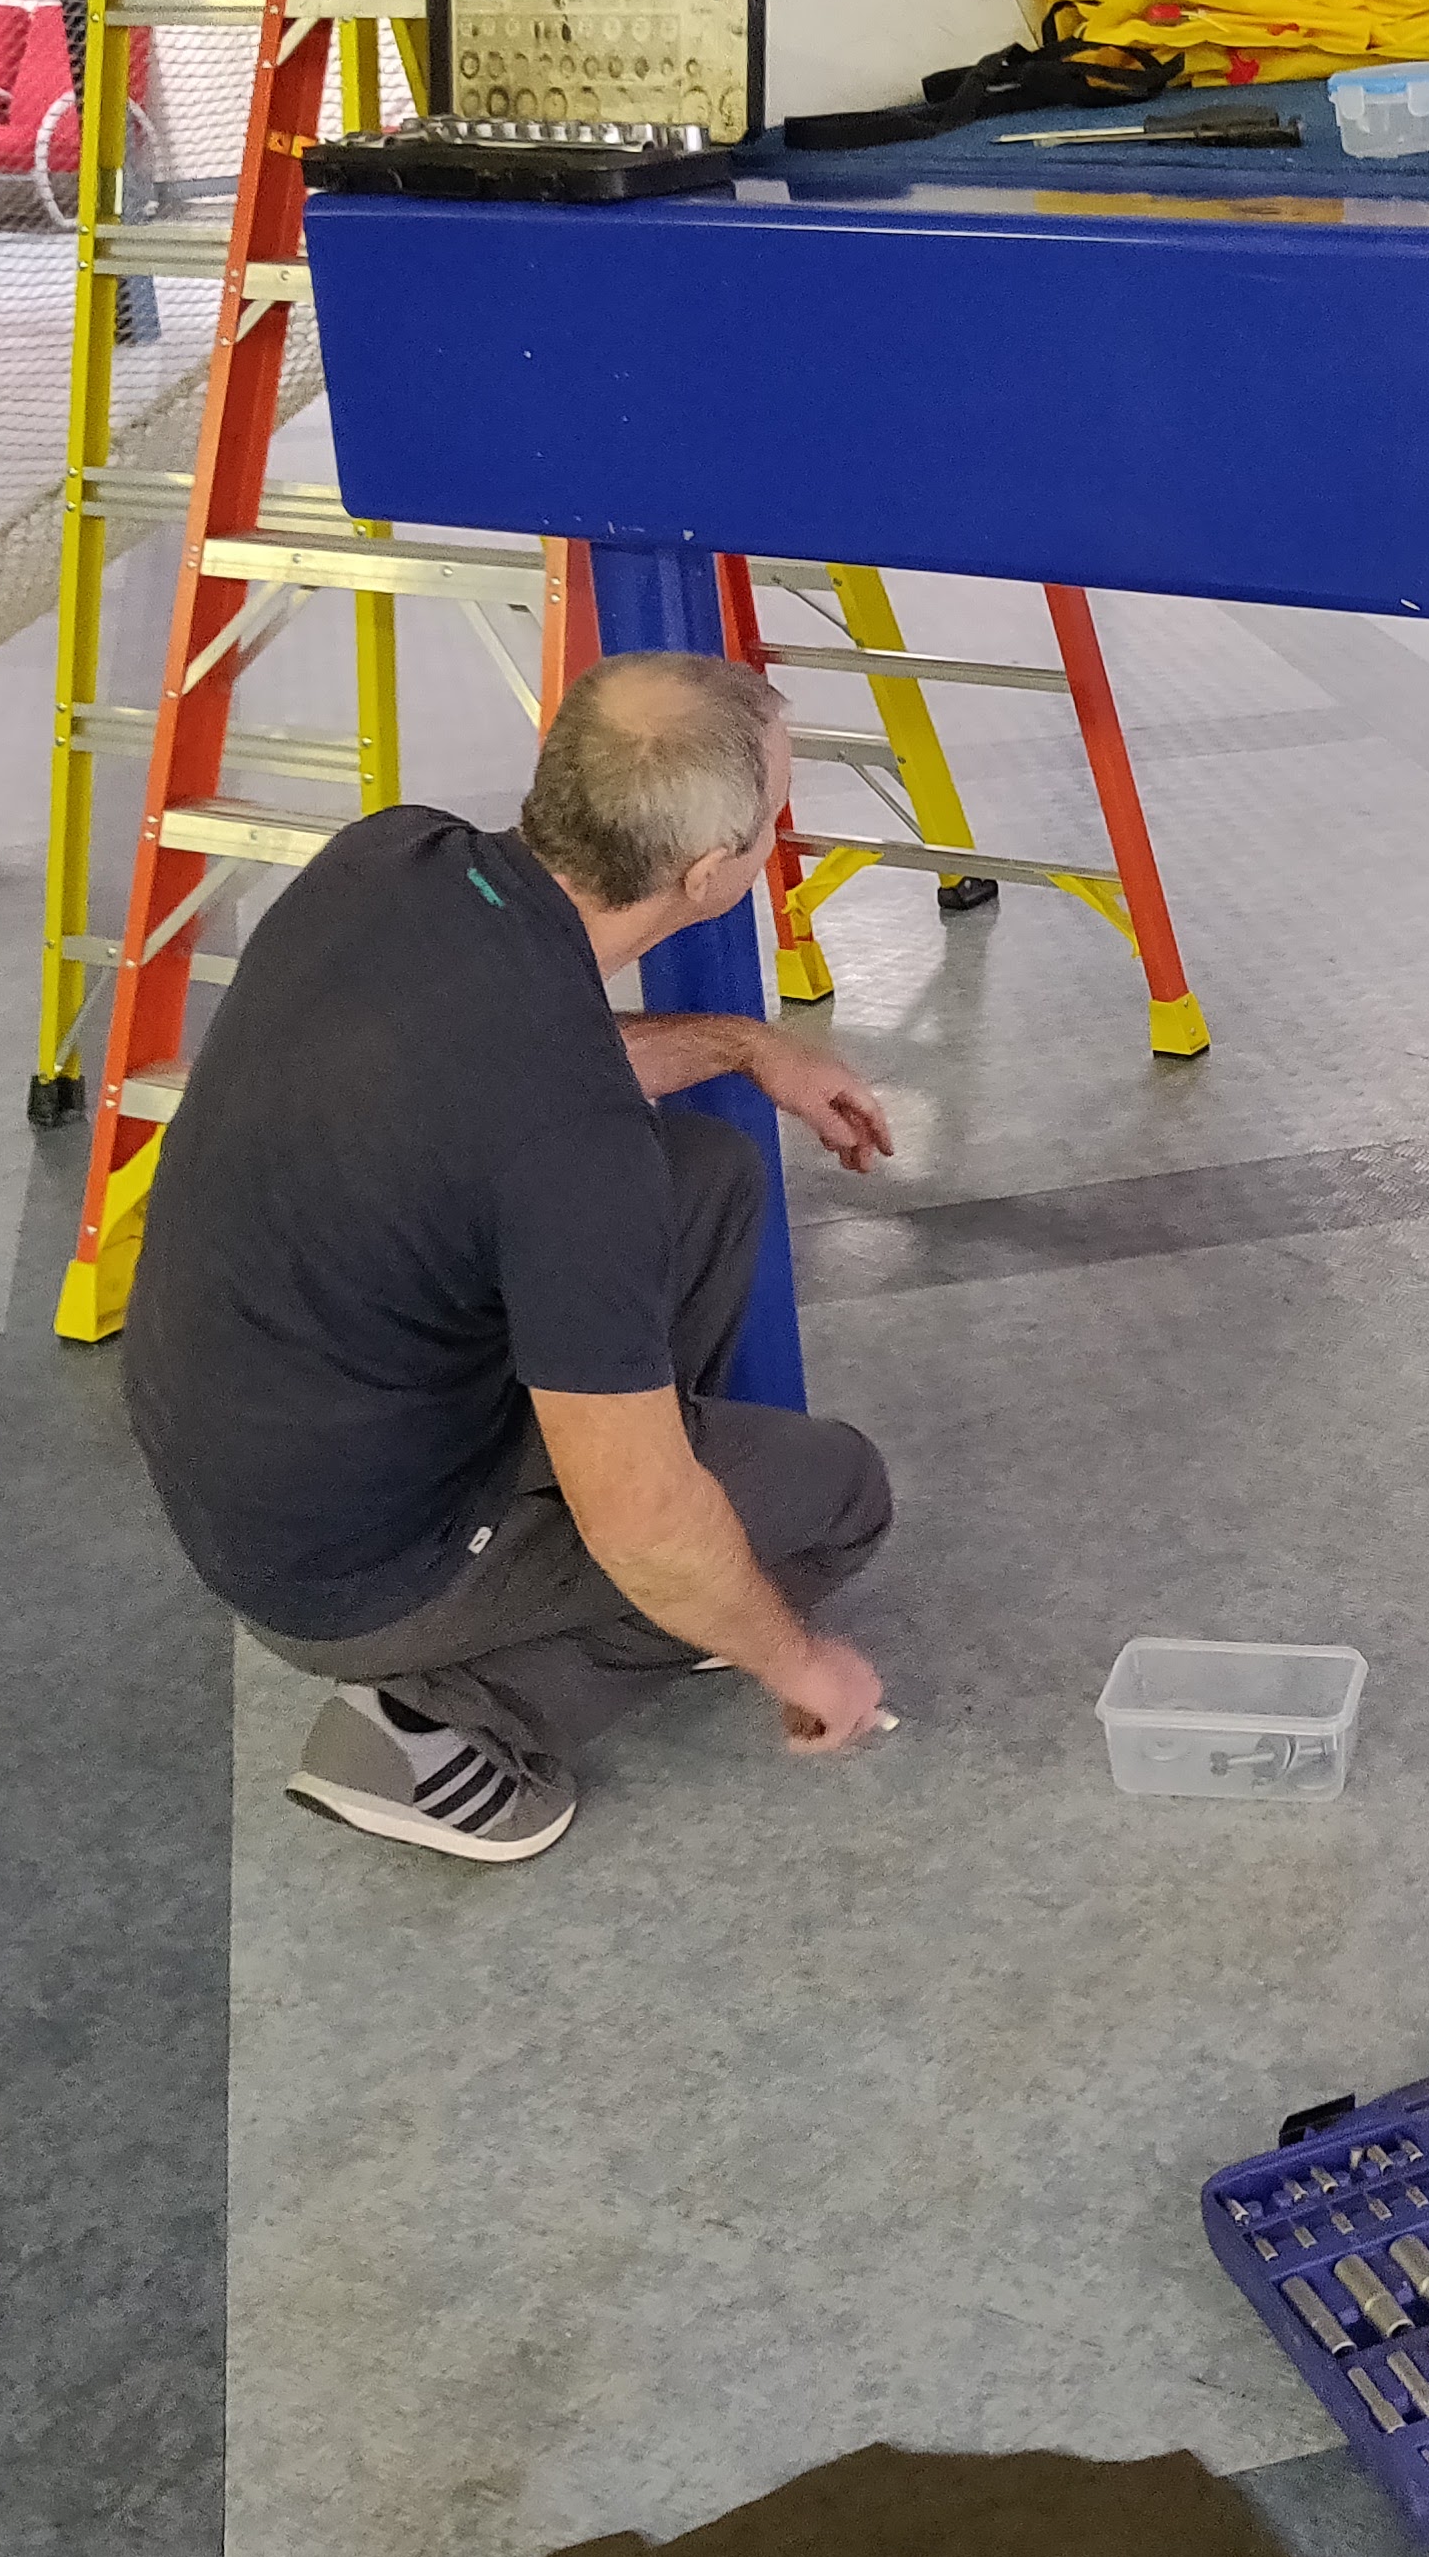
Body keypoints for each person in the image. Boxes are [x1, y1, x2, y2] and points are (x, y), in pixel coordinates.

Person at [125, 649, 907, 1863]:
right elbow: (645, 1524)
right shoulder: (574, 1148)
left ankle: (610, 1495)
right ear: (709, 874)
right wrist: (798, 1659)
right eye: (773, 818)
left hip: (252, 1438)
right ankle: (439, 1727)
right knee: (836, 1500)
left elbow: (498, 1073)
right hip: (348, 1565)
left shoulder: (398, 859)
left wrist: (746, 1046)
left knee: (706, 1174)